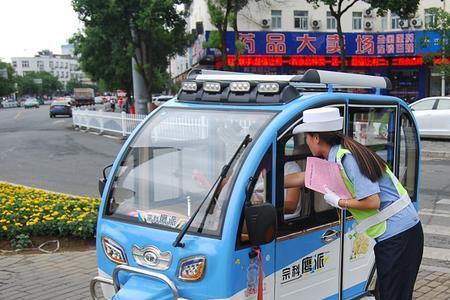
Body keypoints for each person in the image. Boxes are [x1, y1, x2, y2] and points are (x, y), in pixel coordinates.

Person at [286, 107, 423, 300]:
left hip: (401, 236)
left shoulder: (347, 159)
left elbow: (372, 201)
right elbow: (302, 177)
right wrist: (263, 179)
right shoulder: (335, 156)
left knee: (394, 295)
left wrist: (340, 202)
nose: (306, 142)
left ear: (316, 138)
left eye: (307, 137)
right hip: (395, 237)